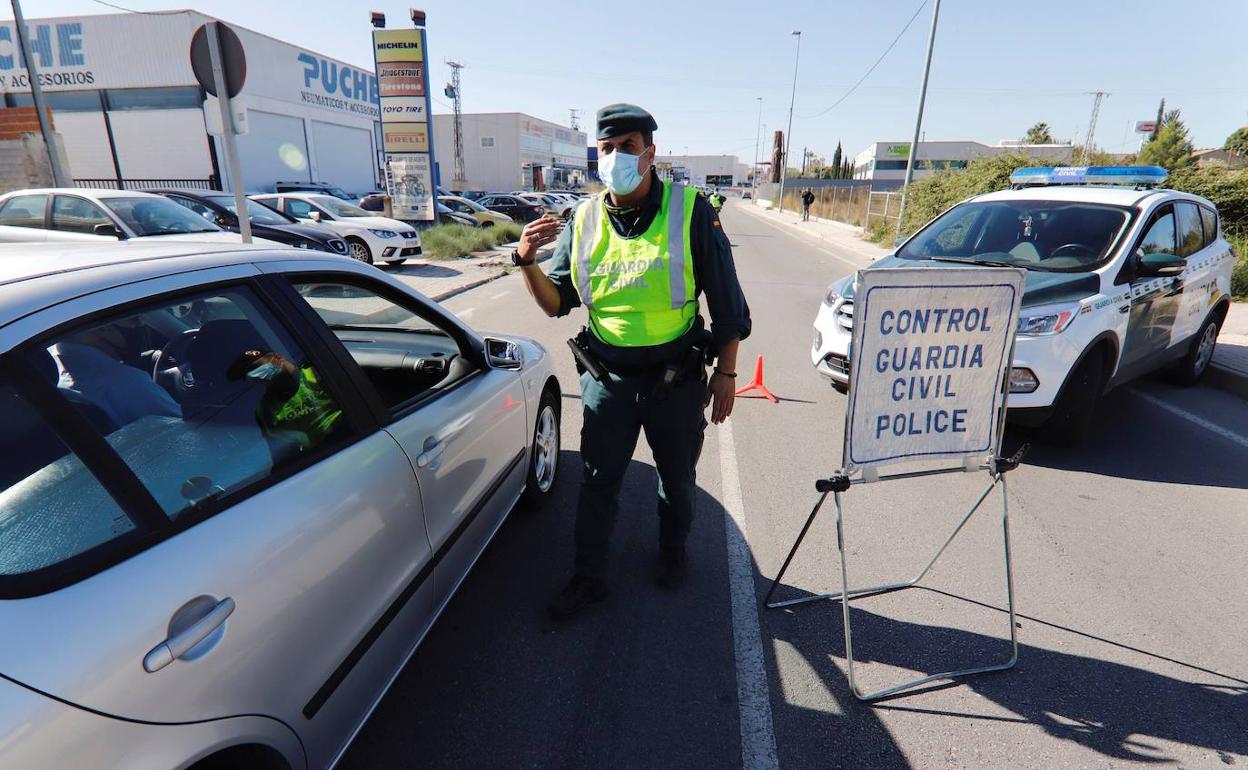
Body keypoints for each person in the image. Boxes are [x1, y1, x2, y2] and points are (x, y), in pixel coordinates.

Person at [512, 104, 751, 620]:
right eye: (607, 147)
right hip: (608, 380)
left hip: (677, 380)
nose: (616, 156)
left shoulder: (691, 212)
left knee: (677, 479)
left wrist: (727, 374)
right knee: (598, 482)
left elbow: (729, 308)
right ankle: (588, 576)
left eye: (627, 146)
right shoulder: (583, 220)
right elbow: (557, 302)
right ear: (595, 154)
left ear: (650, 154)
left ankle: (672, 550)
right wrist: (526, 263)